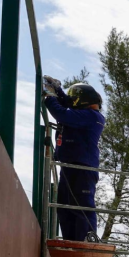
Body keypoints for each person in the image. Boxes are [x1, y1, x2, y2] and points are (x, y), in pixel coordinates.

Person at [42, 76, 105, 242]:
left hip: (83, 167)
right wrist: (58, 91)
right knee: (64, 206)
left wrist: (50, 97)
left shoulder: (93, 116)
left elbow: (64, 114)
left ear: (82, 101)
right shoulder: (83, 114)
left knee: (82, 205)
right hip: (70, 166)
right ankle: (71, 242)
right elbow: (67, 105)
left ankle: (86, 239)